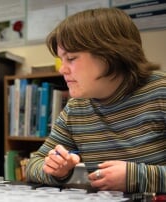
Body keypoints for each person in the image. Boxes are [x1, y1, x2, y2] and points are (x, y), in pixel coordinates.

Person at [25, 7, 165, 193]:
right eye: (61, 60)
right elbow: (34, 165)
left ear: (110, 55)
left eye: (71, 58)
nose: (62, 70)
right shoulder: (76, 108)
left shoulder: (160, 93)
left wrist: (135, 177)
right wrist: (57, 170)